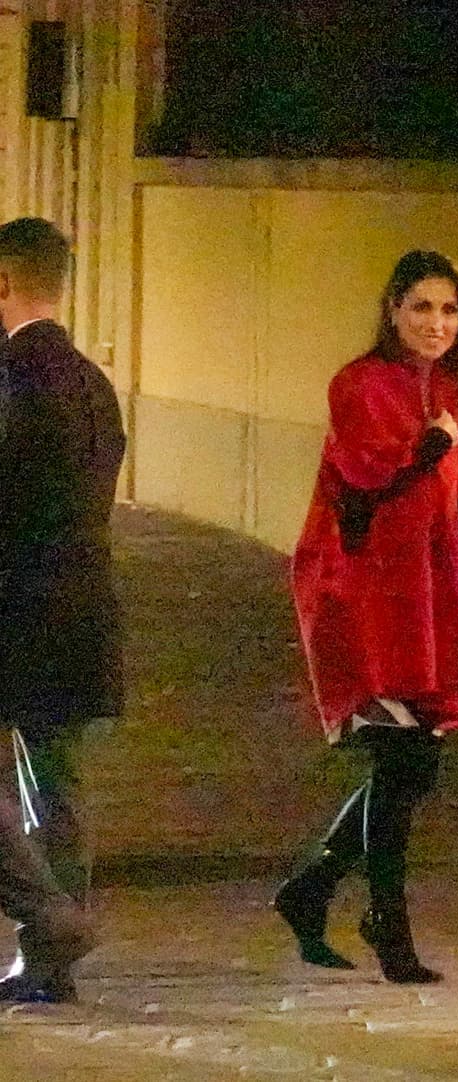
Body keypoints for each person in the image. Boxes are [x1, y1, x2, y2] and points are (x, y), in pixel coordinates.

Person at [278, 250, 458, 984]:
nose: (437, 324)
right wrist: (429, 447)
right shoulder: (358, 384)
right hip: (368, 595)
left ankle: (310, 892)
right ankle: (388, 927)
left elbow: (453, 490)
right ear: (393, 311)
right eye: (422, 309)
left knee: (414, 766)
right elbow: (366, 486)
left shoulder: (448, 392)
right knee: (402, 762)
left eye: (449, 311)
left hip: (427, 595)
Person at [0, 216, 123, 999]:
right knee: (56, 784)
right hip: (82, 607)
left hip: (12, 605)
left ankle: (49, 917)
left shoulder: (9, 379)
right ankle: (51, 967)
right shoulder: (94, 383)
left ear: (4, 285)